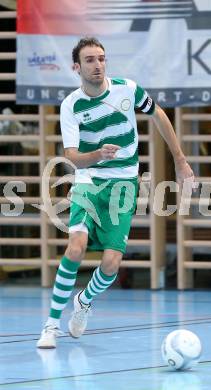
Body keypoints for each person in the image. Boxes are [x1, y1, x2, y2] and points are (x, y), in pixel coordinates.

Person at [37, 37, 194, 348]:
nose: (98, 65)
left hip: (123, 183)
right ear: (77, 67)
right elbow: (71, 155)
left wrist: (180, 159)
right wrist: (97, 155)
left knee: (110, 263)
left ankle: (84, 300)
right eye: (91, 60)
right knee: (76, 247)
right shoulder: (71, 105)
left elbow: (159, 115)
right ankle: (51, 325)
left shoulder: (127, 89)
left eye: (101, 58)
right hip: (88, 180)